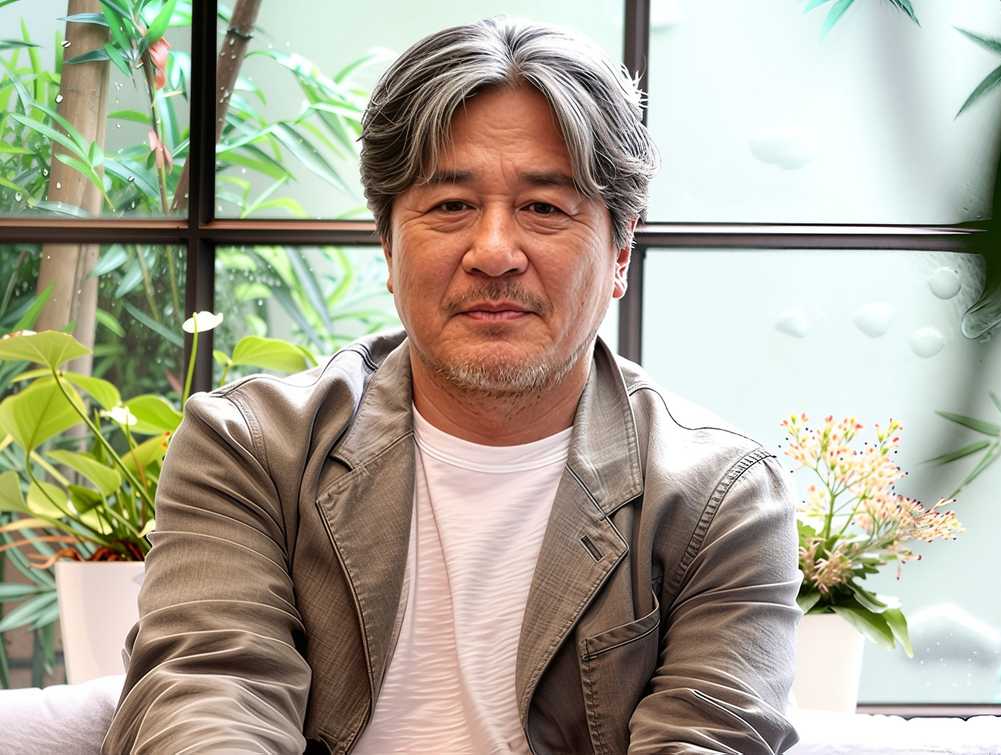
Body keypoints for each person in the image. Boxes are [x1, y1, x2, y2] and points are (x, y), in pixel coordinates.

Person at [102, 17, 801, 755]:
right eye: (450, 206)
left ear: (621, 251)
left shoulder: (722, 499)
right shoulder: (250, 450)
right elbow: (208, 698)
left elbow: (709, 737)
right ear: (387, 245)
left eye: (544, 207)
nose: (494, 252)